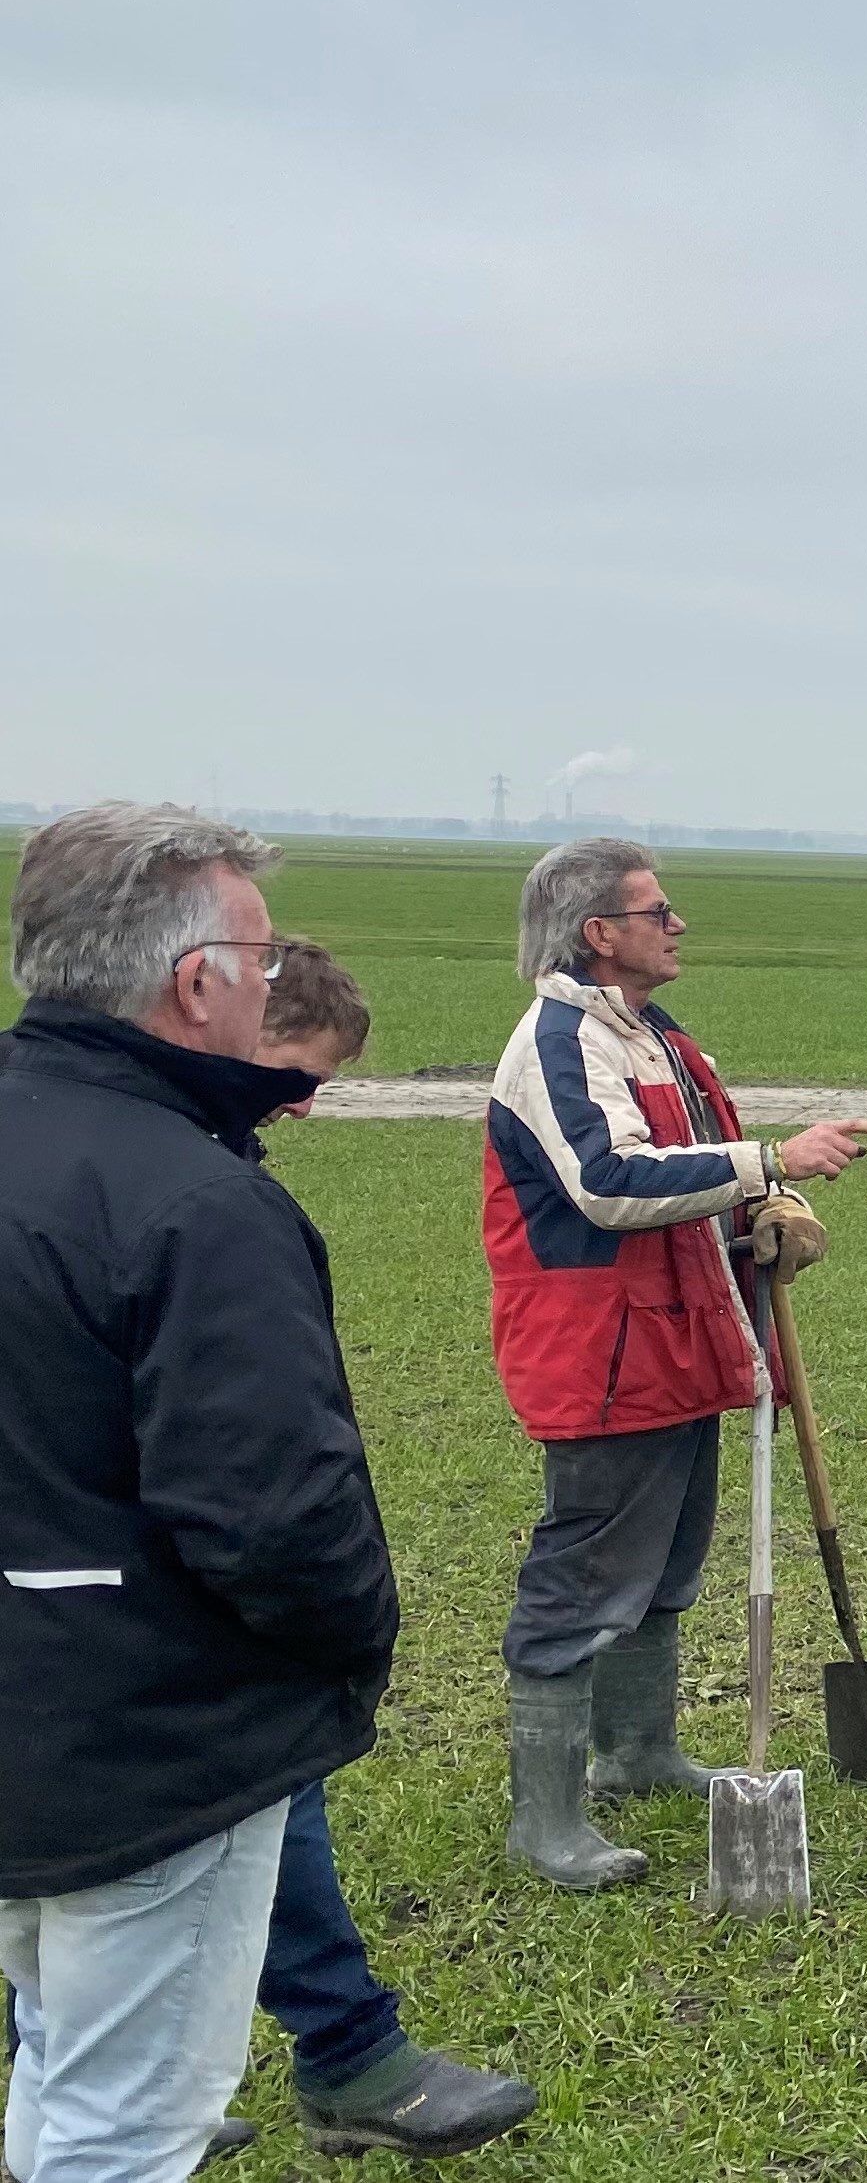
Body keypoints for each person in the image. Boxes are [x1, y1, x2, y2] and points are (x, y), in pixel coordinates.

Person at [0, 804, 405, 2180]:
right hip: (148, 1747)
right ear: (196, 983)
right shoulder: (198, 1200)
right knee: (126, 2130)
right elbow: (276, 1519)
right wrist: (350, 1652)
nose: (268, 977)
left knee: (54, 2055)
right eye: (258, 952)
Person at [483, 838, 867, 1891]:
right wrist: (770, 1161)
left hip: (686, 1335)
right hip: (601, 1352)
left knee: (665, 1567)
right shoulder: (560, 1042)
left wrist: (768, 1211)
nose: (678, 925)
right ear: (598, 933)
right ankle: (545, 1819)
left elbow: (702, 1173)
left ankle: (639, 1754)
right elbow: (607, 1182)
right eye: (657, 912)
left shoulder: (660, 1040)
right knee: (587, 1576)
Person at [228, 943, 539, 2158]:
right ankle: (348, 2053)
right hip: (151, 1588)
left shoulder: (207, 1164)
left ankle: (87, 2081)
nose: (305, 1104)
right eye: (293, 1074)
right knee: (255, 1796)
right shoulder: (172, 1185)